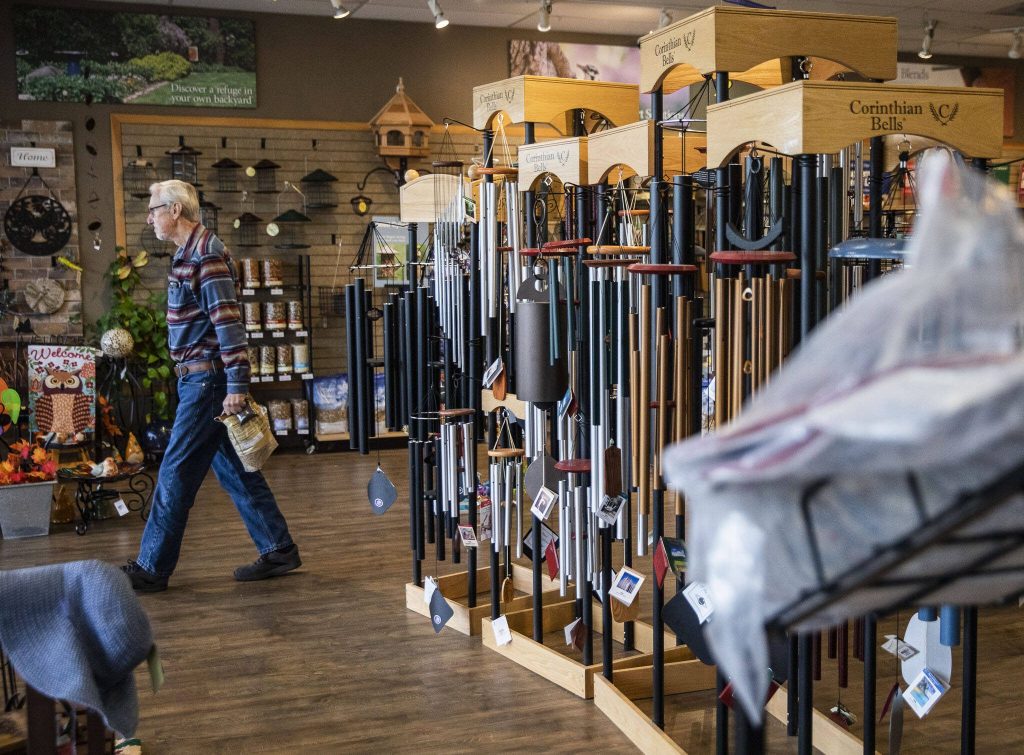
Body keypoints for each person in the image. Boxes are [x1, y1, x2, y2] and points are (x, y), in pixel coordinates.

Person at [122, 180, 300, 593]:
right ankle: (278, 549)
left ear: (176, 211)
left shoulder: (207, 256)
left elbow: (228, 325)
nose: (149, 218)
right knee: (237, 470)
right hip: (200, 380)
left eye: (154, 210)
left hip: (207, 382)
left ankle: (152, 567)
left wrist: (236, 385)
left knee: (174, 471)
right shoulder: (188, 254)